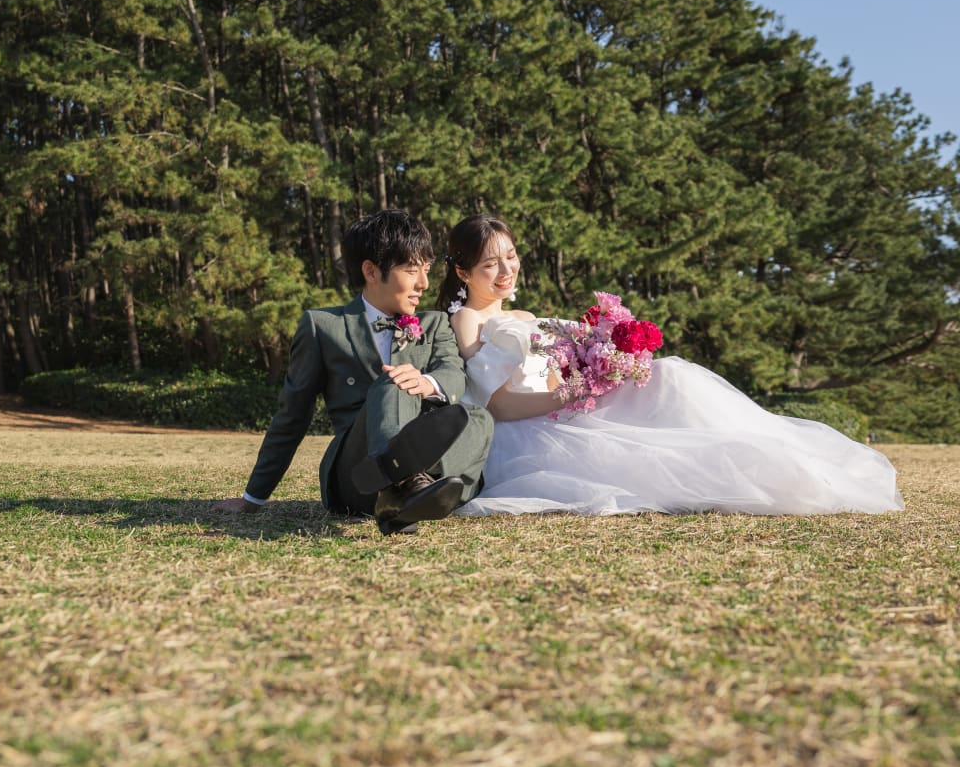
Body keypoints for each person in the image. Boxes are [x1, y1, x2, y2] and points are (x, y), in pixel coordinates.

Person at [436, 214, 904, 516]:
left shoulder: (525, 316)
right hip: (528, 428)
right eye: (490, 264)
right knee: (657, 423)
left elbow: (548, 375)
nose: (506, 271)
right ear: (462, 272)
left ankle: (773, 459)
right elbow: (496, 405)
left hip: (560, 406)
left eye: (511, 257)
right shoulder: (467, 319)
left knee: (670, 374)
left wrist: (599, 371)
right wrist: (568, 397)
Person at [214, 209, 494, 534]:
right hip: (356, 475)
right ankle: (398, 483)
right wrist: (253, 498)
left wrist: (426, 382)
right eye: (411, 270)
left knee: (479, 417)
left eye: (427, 270)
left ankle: (412, 492)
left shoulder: (435, 323)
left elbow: (453, 374)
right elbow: (292, 416)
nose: (424, 283)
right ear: (371, 271)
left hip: (428, 468)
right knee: (394, 380)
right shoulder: (323, 326)